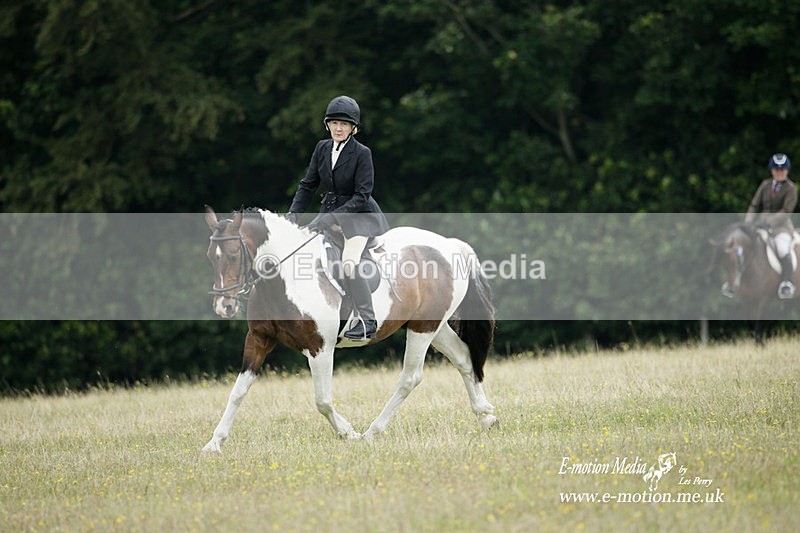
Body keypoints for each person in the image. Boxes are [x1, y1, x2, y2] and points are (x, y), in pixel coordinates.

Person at [286, 95, 390, 340]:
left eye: (344, 124)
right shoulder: (322, 148)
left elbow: (363, 194)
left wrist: (334, 217)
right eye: (334, 123)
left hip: (359, 217)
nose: (339, 128)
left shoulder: (362, 153)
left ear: (353, 128)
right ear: (328, 125)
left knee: (348, 263)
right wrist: (293, 214)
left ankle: (367, 320)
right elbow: (308, 185)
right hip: (329, 214)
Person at [744, 153, 798, 299]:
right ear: (772, 170)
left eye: (782, 169)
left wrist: (768, 222)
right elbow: (754, 205)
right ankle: (737, 281)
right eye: (776, 169)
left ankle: (787, 283)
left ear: (787, 171)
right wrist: (748, 222)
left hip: (781, 227)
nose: (779, 172)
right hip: (760, 226)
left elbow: (786, 211)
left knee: (782, 249)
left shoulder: (791, 188)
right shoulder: (765, 185)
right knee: (744, 245)